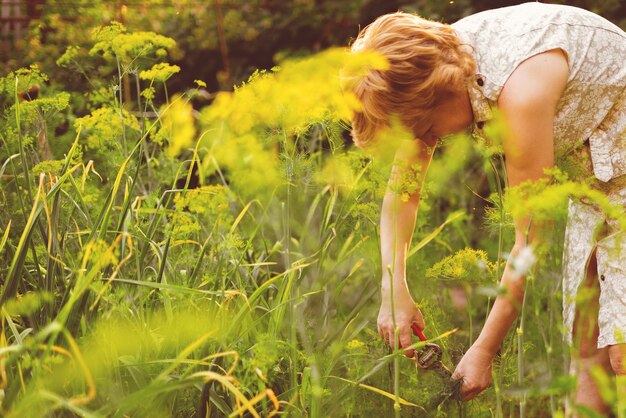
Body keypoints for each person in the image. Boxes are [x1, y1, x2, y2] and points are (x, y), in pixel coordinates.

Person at [350, 2, 626, 413]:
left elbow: (531, 242)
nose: (426, 140)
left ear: (440, 94)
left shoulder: (521, 93)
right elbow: (403, 190)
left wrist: (483, 350)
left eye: (425, 129)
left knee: (622, 351)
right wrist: (394, 287)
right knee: (588, 355)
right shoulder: (429, 64)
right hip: (593, 186)